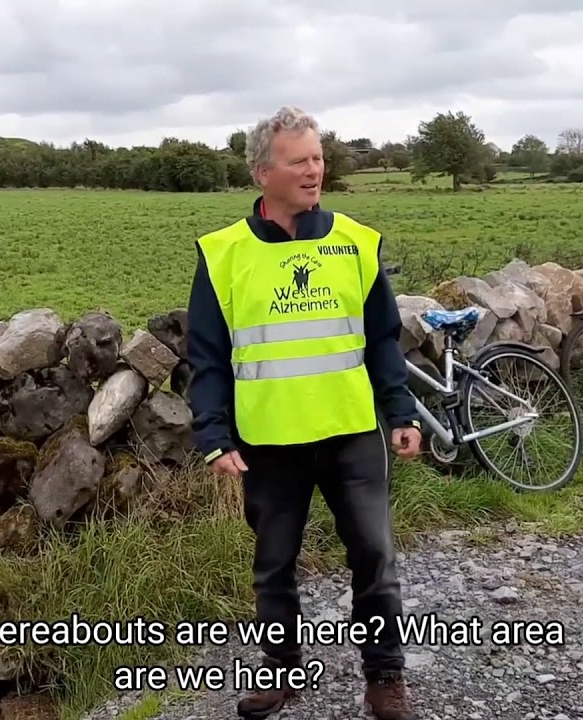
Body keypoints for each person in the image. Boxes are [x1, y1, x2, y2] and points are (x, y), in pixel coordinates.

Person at [185, 105, 422, 720]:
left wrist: (401, 412)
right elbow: (206, 356)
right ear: (263, 172)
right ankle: (282, 670)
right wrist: (214, 435)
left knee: (374, 557)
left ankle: (385, 678)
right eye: (299, 161)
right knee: (274, 567)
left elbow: (383, 339)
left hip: (351, 433)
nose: (314, 170)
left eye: (317, 158)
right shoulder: (223, 254)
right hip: (269, 442)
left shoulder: (356, 242)